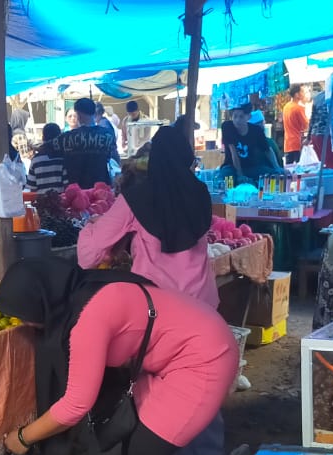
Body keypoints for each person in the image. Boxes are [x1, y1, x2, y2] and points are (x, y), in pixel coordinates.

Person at [0, 257, 238, 455]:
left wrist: (23, 437)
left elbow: (75, 405)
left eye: (27, 318)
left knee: (148, 454)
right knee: (135, 435)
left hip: (204, 358)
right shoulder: (85, 288)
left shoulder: (88, 320)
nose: (28, 326)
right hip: (173, 353)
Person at [79, 125, 216, 306]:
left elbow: (89, 255)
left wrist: (91, 226)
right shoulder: (200, 192)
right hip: (203, 303)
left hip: (159, 307)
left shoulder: (135, 198)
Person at [54, 98, 119, 188]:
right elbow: (112, 157)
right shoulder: (108, 134)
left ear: (78, 114)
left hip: (76, 190)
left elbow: (49, 147)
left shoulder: (66, 137)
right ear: (94, 112)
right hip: (101, 188)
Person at [220, 105, 281, 182]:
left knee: (274, 175)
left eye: (241, 117)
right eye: (235, 116)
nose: (237, 120)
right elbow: (233, 153)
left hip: (250, 167)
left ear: (248, 117)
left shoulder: (256, 130)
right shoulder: (227, 127)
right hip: (231, 166)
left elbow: (267, 150)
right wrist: (240, 175)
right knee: (227, 176)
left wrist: (277, 167)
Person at [307, 76, 333, 169]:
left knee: (321, 165)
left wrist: (308, 137)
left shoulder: (318, 97)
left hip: (315, 135)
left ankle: (323, 183)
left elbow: (313, 118)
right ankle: (332, 183)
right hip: (328, 136)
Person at [26, 123, 66, 194]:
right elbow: (66, 186)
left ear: (43, 138)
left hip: (42, 203)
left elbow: (32, 189)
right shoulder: (63, 159)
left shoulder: (36, 160)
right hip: (60, 202)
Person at [282, 84, 310, 165]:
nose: (303, 94)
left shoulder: (286, 107)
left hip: (288, 143)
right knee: (299, 170)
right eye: (302, 91)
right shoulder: (298, 108)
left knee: (289, 169)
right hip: (297, 143)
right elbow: (306, 125)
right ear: (296, 94)